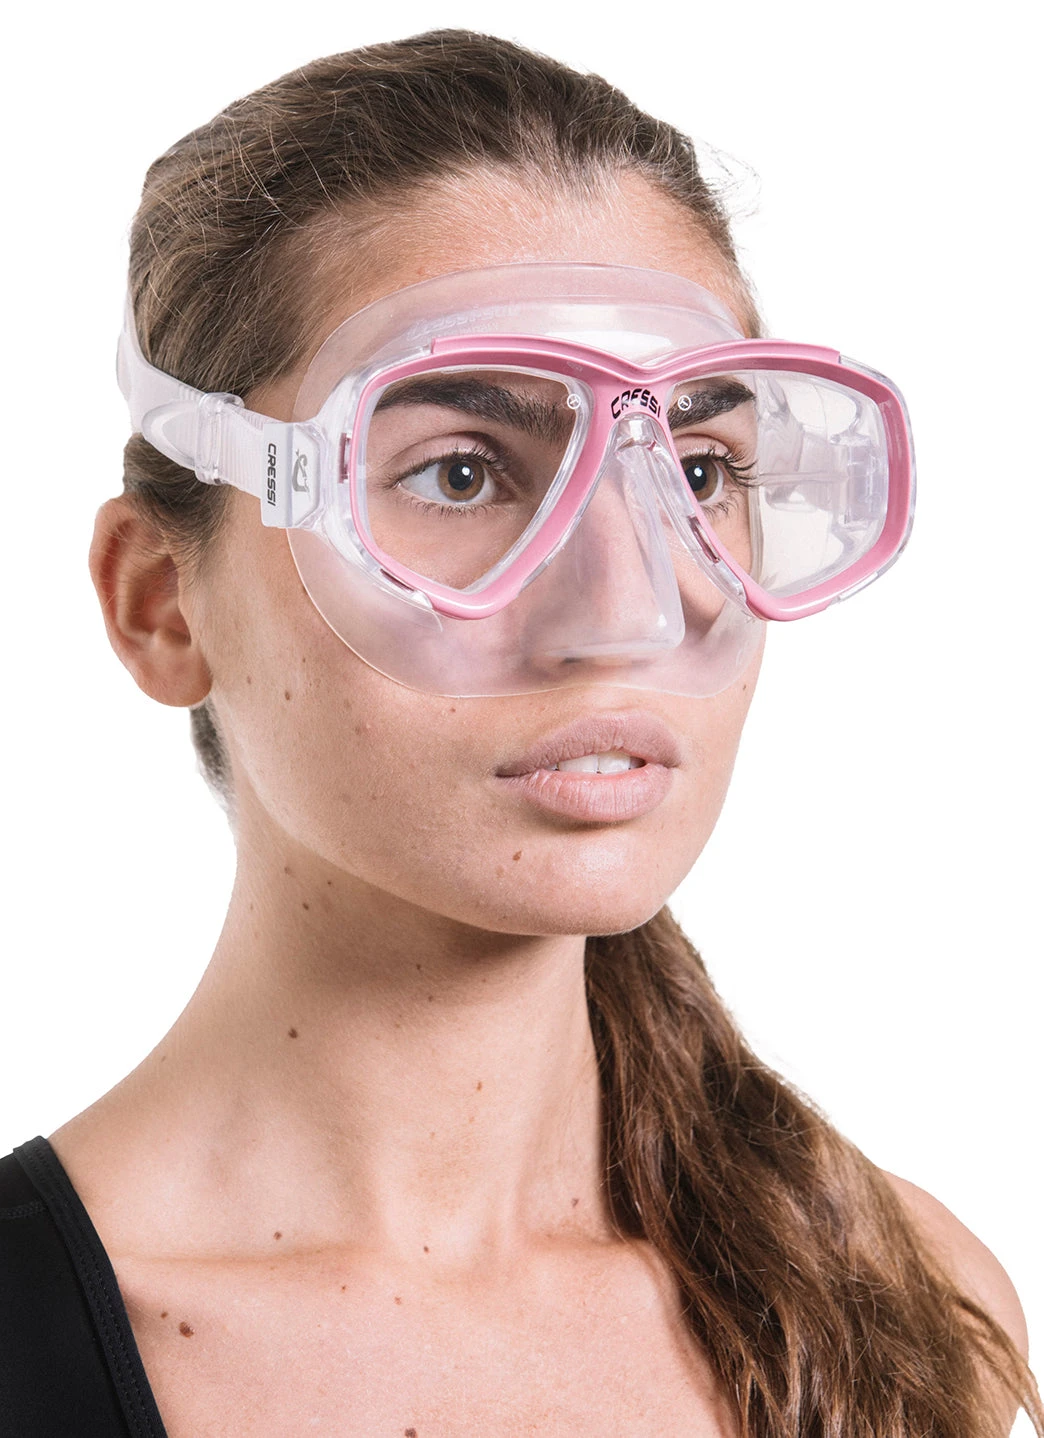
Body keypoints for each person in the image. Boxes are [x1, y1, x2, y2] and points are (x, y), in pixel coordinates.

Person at [0, 29, 1038, 1438]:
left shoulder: (910, 1307)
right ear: (163, 604)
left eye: (698, 469)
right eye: (461, 472)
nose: (628, 610)